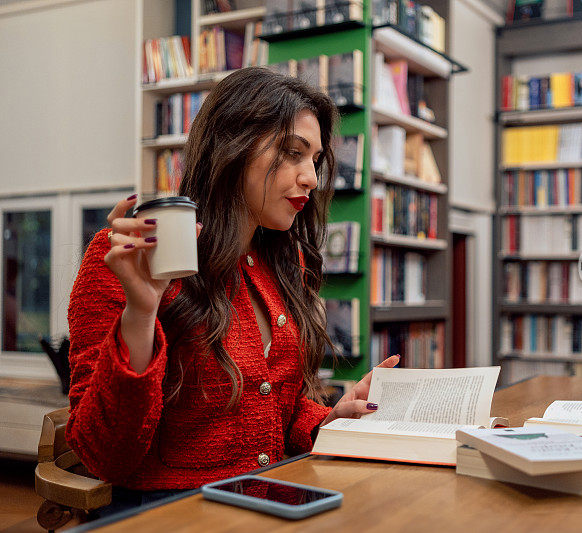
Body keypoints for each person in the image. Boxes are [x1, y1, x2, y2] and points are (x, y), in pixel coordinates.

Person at [65, 67, 398, 506]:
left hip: (273, 502)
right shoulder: (133, 261)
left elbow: (284, 408)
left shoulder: (282, 261)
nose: (312, 179)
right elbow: (104, 455)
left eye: (314, 160)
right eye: (293, 153)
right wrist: (140, 316)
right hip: (174, 514)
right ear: (231, 148)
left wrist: (330, 419)